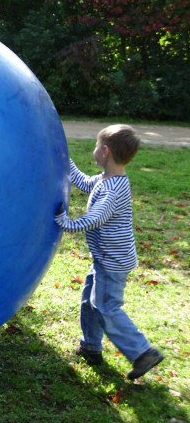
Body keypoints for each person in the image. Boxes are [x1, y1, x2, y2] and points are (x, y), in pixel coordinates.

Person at [55, 124, 163, 380]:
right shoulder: (106, 180)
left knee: (106, 307)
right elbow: (82, 181)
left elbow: (96, 218)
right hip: (106, 257)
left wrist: (66, 223)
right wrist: (64, 158)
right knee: (89, 302)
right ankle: (91, 347)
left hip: (112, 261)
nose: (94, 150)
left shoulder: (112, 190)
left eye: (95, 145)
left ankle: (142, 351)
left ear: (104, 151)